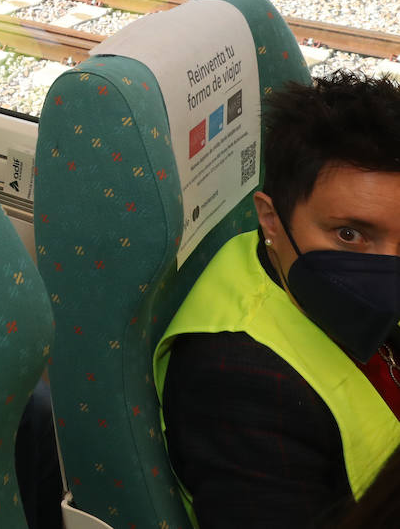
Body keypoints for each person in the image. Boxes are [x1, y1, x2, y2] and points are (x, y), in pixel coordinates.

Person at [155, 71, 400, 529]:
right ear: (270, 219)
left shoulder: (294, 270)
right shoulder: (239, 384)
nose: (389, 267)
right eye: (350, 235)